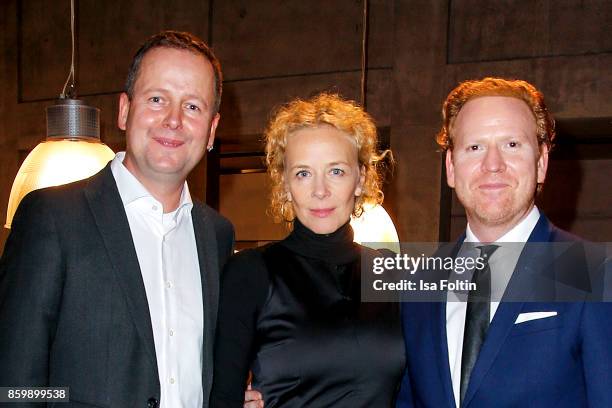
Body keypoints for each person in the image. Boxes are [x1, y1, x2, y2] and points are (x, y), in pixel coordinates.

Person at [0, 30, 260, 408]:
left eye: (192, 107)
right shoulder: (52, 218)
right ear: (124, 110)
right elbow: (14, 387)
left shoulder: (217, 236)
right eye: (157, 99)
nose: (173, 120)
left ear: (212, 131)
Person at [395, 77, 612, 407]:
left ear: (541, 163)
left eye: (512, 145)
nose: (492, 165)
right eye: (475, 147)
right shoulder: (419, 284)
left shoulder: (594, 273)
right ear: (451, 168)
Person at [211, 93, 405, 407]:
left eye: (336, 171)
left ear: (361, 179)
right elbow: (219, 397)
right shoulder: (250, 272)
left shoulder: (392, 274)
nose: (320, 191)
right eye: (303, 173)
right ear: (285, 185)